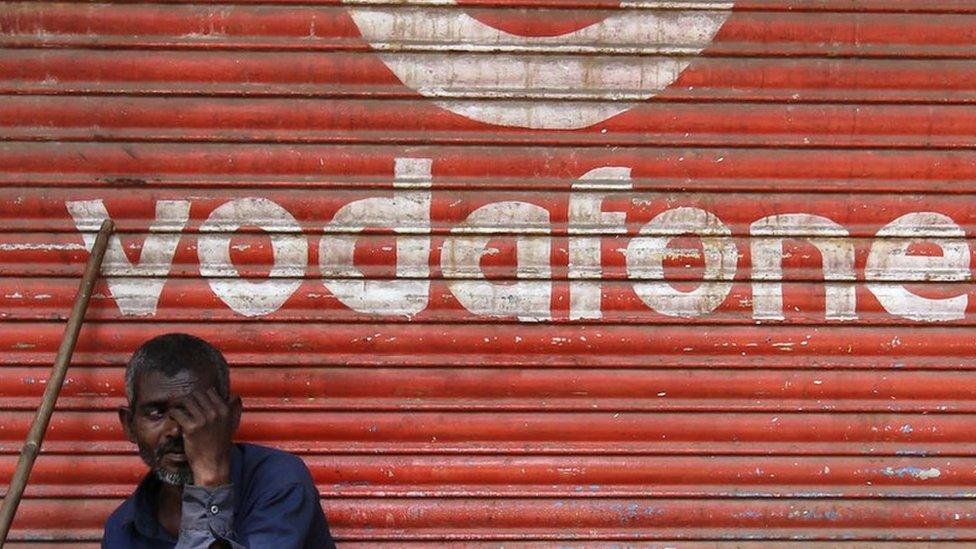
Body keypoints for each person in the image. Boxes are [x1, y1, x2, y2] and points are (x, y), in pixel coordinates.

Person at [102, 333, 336, 548]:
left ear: (231, 416)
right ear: (129, 425)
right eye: (156, 413)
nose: (175, 429)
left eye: (194, 410)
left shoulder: (280, 482)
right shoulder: (124, 528)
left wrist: (209, 478)